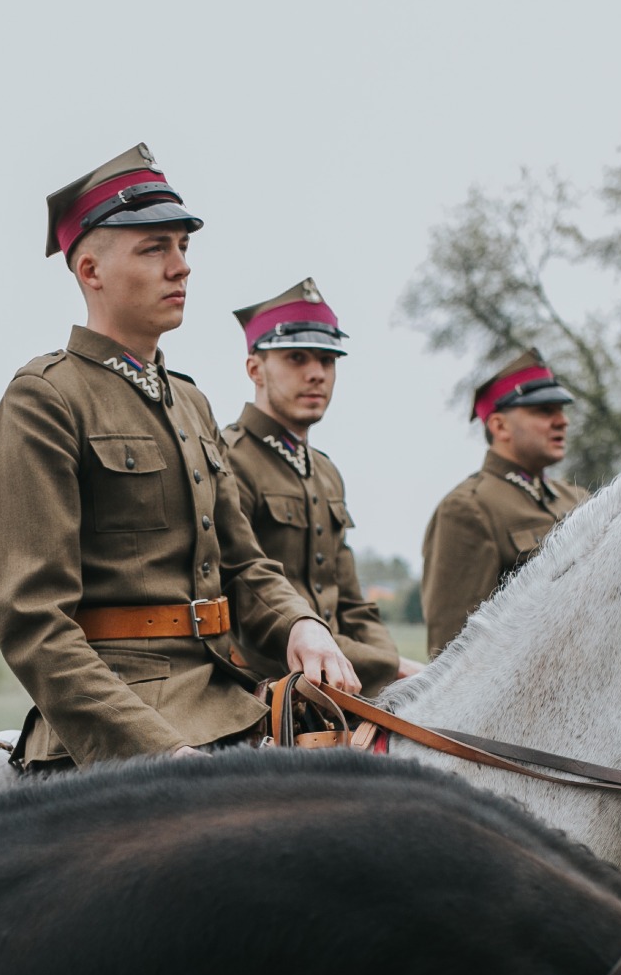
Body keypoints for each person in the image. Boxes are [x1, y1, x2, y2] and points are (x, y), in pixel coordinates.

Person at [0, 145, 355, 769]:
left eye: (183, 248)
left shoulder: (191, 402)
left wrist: (299, 624)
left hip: (230, 708)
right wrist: (152, 751)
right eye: (155, 248)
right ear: (91, 270)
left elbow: (243, 563)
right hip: (115, 739)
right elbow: (33, 622)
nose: (181, 268)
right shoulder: (44, 399)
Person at [219, 278, 412, 696]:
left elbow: (352, 604)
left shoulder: (325, 472)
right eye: (297, 358)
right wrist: (393, 667)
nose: (316, 374)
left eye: (327, 360)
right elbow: (246, 604)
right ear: (254, 369)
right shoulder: (228, 458)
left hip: (342, 681)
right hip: (265, 693)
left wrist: (387, 669)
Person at [419, 347, 590, 657]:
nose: (562, 421)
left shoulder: (578, 498)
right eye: (544, 410)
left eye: (561, 410)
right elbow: (454, 652)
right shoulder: (469, 508)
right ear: (499, 426)